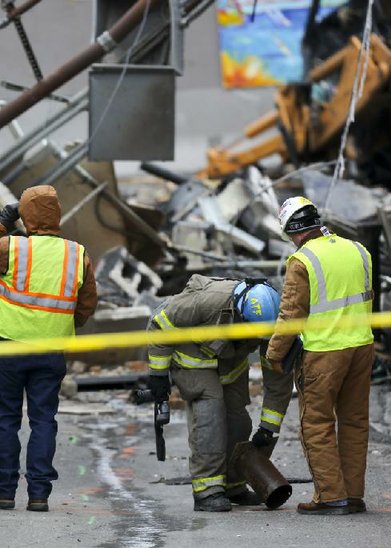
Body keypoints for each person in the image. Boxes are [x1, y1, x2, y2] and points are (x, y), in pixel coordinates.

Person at [0, 185, 98, 512]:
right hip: (50, 351)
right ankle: (39, 494)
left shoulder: (12, 247)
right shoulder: (76, 254)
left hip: (10, 349)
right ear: (57, 215)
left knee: (5, 419)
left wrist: (2, 219)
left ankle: (4, 491)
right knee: (44, 420)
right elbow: (86, 305)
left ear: (25, 216)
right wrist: (63, 325)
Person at [146, 275, 292, 512]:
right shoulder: (210, 301)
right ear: (239, 312)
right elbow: (159, 322)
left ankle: (234, 485)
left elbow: (278, 380)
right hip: (192, 357)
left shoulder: (275, 324)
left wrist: (268, 428)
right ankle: (207, 490)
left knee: (238, 421)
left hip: (230, 363)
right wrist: (158, 376)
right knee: (210, 414)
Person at [266, 196, 374, 516]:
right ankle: (353, 495)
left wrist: (275, 355)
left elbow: (291, 316)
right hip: (362, 346)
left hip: (325, 352)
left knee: (317, 424)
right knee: (354, 422)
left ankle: (330, 496)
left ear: (293, 232)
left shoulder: (302, 261)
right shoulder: (358, 250)